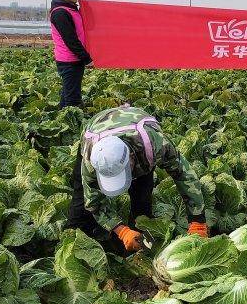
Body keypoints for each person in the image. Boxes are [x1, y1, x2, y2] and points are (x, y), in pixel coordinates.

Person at [69, 105, 208, 252]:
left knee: (142, 200)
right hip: (97, 126)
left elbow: (184, 175)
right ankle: (76, 240)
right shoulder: (92, 159)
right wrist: (121, 230)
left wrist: (197, 219)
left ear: (131, 158)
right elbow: (94, 201)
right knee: (80, 202)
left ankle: (140, 249)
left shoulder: (155, 145)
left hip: (137, 131)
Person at [49, 0, 92, 108]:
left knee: (68, 93)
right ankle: (71, 124)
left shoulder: (72, 9)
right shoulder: (60, 12)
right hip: (69, 60)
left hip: (74, 59)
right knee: (73, 99)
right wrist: (87, 59)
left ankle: (61, 121)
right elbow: (71, 40)